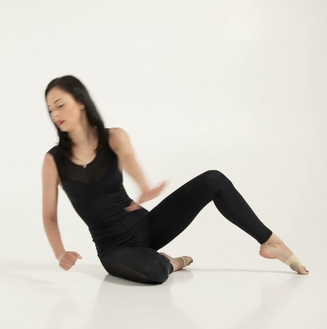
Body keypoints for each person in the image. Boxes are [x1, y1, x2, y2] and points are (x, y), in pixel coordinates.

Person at [41, 75, 309, 284]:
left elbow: (134, 169)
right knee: (156, 271)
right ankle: (172, 262)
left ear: (80, 102)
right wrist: (59, 252)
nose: (55, 114)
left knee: (213, 180)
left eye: (60, 105)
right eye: (50, 109)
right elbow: (49, 216)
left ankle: (269, 241)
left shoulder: (114, 137)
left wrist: (146, 189)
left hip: (144, 225)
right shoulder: (54, 161)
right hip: (113, 249)